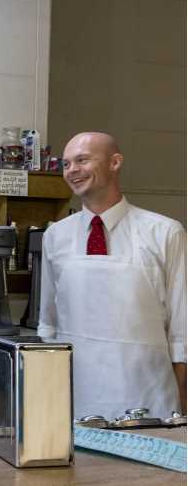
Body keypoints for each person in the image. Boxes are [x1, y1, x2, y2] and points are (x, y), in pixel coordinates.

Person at [39, 131, 186, 420]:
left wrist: (182, 410)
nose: (72, 171)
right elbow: (48, 327)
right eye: (66, 164)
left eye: (82, 160)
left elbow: (183, 333)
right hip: (75, 399)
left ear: (115, 162)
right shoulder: (56, 235)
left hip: (149, 400)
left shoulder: (165, 232)